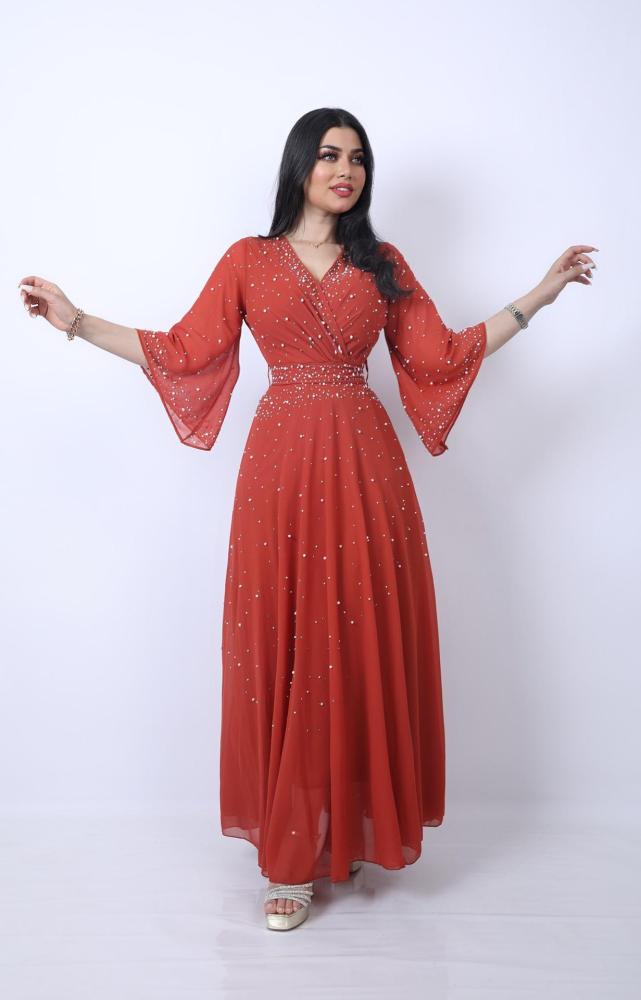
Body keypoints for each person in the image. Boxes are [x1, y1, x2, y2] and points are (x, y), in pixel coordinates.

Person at [18, 107, 597, 932]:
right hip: (280, 470)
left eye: (357, 158)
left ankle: (343, 833)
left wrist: (539, 294)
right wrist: (76, 321)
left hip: (365, 468)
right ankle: (288, 857)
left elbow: (440, 357)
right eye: (329, 155)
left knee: (355, 640)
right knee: (287, 644)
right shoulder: (246, 260)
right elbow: (183, 351)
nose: (345, 170)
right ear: (299, 165)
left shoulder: (382, 263)